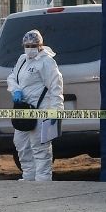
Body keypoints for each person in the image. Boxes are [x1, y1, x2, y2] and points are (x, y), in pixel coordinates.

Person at [7, 29, 64, 182]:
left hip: (41, 111)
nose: (30, 48)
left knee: (40, 148)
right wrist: (16, 90)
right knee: (21, 145)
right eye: (27, 46)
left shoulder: (47, 62)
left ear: (40, 45)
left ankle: (42, 182)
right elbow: (12, 77)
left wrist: (55, 112)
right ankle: (29, 178)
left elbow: (56, 88)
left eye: (33, 46)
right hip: (24, 111)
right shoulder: (22, 59)